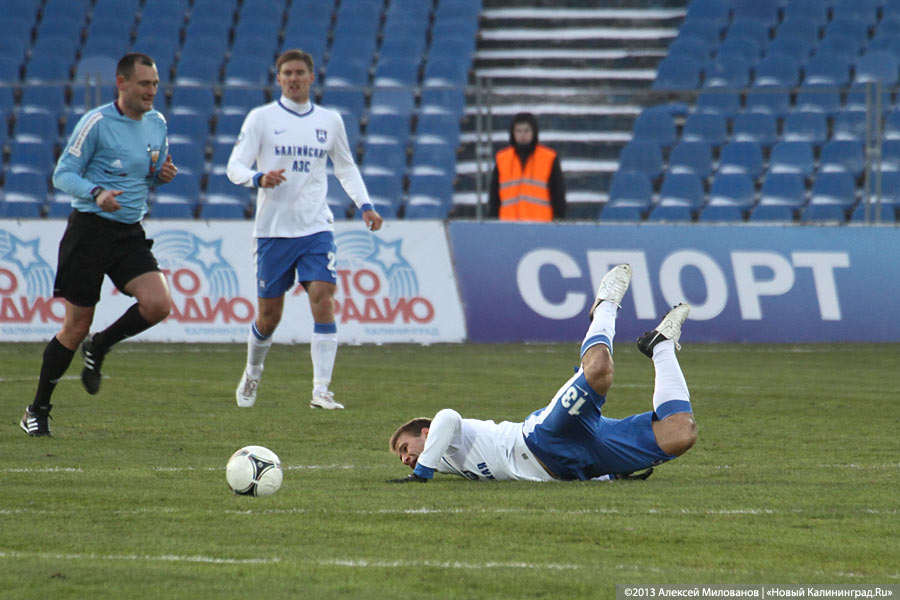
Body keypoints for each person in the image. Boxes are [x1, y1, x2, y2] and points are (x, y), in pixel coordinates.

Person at [388, 264, 697, 482]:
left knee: (600, 370)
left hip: (542, 438)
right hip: (581, 463)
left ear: (425, 434)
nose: (404, 459)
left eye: (405, 448)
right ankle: (661, 346)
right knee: (681, 434)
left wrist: (421, 473)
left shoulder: (442, 438)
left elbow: (447, 417)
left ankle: (605, 306)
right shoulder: (441, 461)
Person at [20, 53, 177, 437]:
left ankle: (101, 346)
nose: (151, 91)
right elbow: (62, 174)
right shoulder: (97, 123)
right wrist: (96, 192)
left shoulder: (157, 123)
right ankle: (36, 410)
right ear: (122, 84)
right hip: (89, 231)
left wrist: (162, 175)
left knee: (158, 304)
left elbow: (149, 174)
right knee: (75, 326)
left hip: (128, 232)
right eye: (144, 84)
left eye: (155, 83)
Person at [226, 49, 384, 411]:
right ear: (278, 78)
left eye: (299, 72)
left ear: (312, 78)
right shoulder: (262, 119)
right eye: (287, 73)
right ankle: (252, 371)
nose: (293, 78)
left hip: (315, 227)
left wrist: (366, 205)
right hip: (272, 231)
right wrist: (257, 177)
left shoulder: (329, 121)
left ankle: (321, 390)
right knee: (269, 317)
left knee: (323, 298)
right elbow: (234, 165)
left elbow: (345, 167)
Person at [487, 112, 566, 221]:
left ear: (534, 132)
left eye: (526, 131)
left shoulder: (549, 158)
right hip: (508, 226)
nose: (522, 135)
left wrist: (558, 221)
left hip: (540, 226)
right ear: (512, 133)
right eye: (518, 131)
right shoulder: (502, 159)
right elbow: (494, 197)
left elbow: (558, 195)